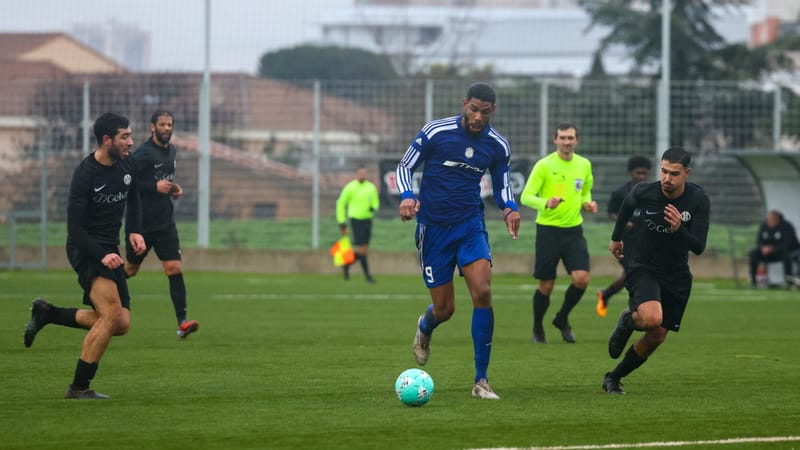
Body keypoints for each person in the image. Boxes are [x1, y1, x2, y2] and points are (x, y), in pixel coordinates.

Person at [396, 82, 521, 400]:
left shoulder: (497, 145)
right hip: (433, 230)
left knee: (483, 290)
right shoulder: (436, 131)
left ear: (494, 110)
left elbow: (502, 183)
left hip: (469, 226)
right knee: (445, 308)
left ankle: (482, 380)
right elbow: (405, 165)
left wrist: (509, 208)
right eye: (474, 109)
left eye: (486, 111)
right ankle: (425, 325)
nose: (478, 116)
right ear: (464, 104)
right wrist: (408, 196)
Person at [23, 112, 146, 399]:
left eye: (130, 135)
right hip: (86, 249)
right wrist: (102, 256)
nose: (131, 141)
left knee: (122, 323)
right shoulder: (85, 175)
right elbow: (74, 231)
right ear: (107, 140)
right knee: (112, 314)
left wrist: (134, 231)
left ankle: (49, 313)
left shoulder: (128, 163)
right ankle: (79, 387)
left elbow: (135, 198)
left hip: (109, 248)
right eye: (124, 136)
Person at [602, 147, 710, 394]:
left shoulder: (698, 199)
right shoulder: (644, 191)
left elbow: (699, 247)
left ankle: (613, 377)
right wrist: (616, 238)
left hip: (677, 273)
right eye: (663, 171)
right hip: (644, 266)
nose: (667, 179)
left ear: (686, 173)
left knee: (656, 336)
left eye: (674, 173)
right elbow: (626, 207)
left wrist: (679, 229)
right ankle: (628, 321)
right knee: (652, 318)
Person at [520, 123, 598, 344]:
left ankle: (562, 318)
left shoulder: (584, 164)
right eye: (562, 137)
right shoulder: (544, 166)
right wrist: (546, 203)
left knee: (582, 279)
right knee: (547, 284)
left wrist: (588, 204)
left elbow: (584, 192)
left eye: (570, 137)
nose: (567, 141)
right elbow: (526, 196)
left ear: (577, 140)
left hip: (574, 230)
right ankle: (537, 328)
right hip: (548, 231)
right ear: (555, 140)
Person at [124, 110, 198, 339]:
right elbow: (127, 183)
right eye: (162, 124)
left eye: (170, 124)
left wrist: (174, 190)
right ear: (152, 127)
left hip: (165, 223)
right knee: (130, 270)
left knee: (174, 268)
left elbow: (164, 181)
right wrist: (153, 188)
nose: (167, 128)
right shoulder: (143, 154)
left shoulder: (172, 151)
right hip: (142, 225)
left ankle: (182, 323)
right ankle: (98, 282)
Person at [596, 156, 652, 318]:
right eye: (638, 173)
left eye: (644, 173)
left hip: (645, 240)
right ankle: (635, 307)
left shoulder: (651, 192)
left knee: (632, 273)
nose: (641, 176)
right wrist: (623, 222)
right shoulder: (620, 193)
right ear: (630, 173)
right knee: (633, 272)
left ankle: (606, 294)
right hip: (625, 241)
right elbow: (611, 212)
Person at [336, 165, 380, 283]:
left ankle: (346, 265)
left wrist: (373, 208)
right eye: (360, 173)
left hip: (367, 221)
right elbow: (340, 203)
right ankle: (367, 277)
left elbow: (376, 201)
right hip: (356, 220)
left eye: (364, 173)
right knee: (362, 249)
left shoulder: (371, 187)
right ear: (356, 174)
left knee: (364, 249)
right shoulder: (350, 187)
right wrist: (342, 222)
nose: (362, 175)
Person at [747, 210, 800, 288]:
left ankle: (789, 279)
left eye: (773, 219)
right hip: (767, 253)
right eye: (769, 219)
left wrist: (773, 248)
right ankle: (754, 280)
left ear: (778, 219)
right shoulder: (764, 225)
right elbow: (759, 241)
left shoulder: (787, 226)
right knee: (754, 254)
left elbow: (789, 243)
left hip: (782, 252)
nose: (770, 221)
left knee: (787, 255)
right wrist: (763, 247)